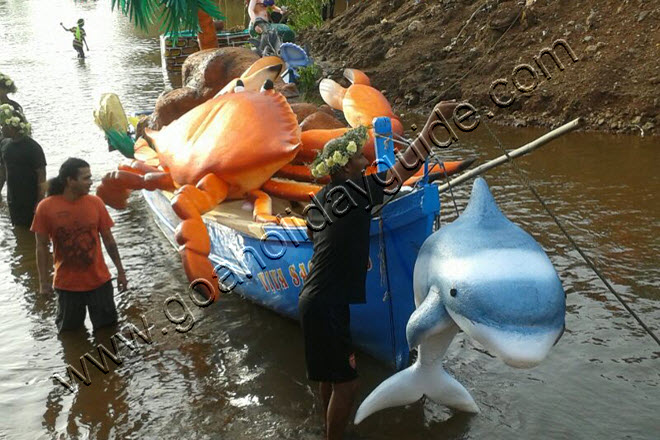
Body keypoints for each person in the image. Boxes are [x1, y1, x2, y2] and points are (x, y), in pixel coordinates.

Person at [299, 103, 454, 440]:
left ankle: (326, 430)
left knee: (330, 377)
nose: (367, 162)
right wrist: (433, 122)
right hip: (328, 304)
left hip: (313, 299)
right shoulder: (355, 192)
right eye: (359, 159)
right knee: (350, 384)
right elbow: (405, 167)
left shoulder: (322, 198)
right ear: (343, 168)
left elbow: (314, 235)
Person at [31, 158, 128, 333]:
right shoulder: (45, 208)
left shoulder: (96, 203)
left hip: (100, 283)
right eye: (86, 178)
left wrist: (121, 272)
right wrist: (43, 282)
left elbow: (109, 240)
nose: (91, 182)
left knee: (109, 333)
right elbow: (41, 247)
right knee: (70, 334)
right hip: (67, 286)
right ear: (70, 181)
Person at [0, 106, 46, 227]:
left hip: (30, 199)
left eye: (3, 126)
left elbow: (42, 177)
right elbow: (3, 172)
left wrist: (40, 202)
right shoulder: (4, 145)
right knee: (18, 228)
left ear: (11, 127)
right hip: (13, 199)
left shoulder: (33, 147)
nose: (1, 129)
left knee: (32, 232)